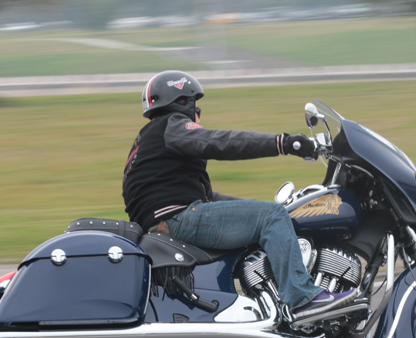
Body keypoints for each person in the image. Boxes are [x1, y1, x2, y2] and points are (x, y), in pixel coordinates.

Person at [122, 70, 356, 319]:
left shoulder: (149, 138)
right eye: (195, 105)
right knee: (272, 216)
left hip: (164, 222)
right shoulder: (173, 125)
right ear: (182, 102)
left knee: (270, 214)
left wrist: (260, 210)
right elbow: (219, 141)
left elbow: (207, 197)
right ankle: (302, 298)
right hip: (178, 219)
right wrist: (285, 143)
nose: (198, 113)